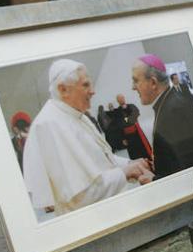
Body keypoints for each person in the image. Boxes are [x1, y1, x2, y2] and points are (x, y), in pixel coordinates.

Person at [22, 59, 153, 216]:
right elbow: (81, 196)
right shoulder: (50, 126)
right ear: (63, 89)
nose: (93, 91)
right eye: (85, 85)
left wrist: (131, 163)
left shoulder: (77, 115)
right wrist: (126, 172)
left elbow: (103, 159)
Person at [130, 53, 193, 178]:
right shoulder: (169, 103)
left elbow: (189, 169)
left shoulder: (173, 111)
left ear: (153, 82)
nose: (133, 87)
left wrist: (153, 179)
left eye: (136, 81)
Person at [112, 93, 151, 160]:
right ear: (118, 101)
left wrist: (127, 120)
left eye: (122, 98)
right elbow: (119, 125)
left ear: (124, 98)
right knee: (134, 153)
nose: (121, 100)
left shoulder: (131, 106)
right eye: (119, 99)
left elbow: (135, 115)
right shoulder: (117, 112)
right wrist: (122, 138)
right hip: (127, 136)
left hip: (137, 133)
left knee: (142, 149)